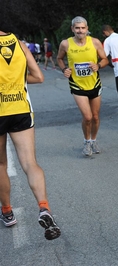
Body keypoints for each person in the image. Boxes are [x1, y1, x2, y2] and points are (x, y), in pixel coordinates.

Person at [0, 30, 61, 240]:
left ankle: (7, 211)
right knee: (30, 163)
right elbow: (39, 76)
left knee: (0, 165)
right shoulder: (16, 41)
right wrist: (16, 80)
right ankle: (44, 207)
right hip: (20, 108)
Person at [56, 16, 109, 156]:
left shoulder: (95, 42)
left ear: (87, 28)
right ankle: (86, 142)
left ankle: (93, 140)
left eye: (83, 28)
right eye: (77, 28)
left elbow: (105, 59)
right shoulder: (66, 44)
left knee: (96, 117)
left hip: (94, 84)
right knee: (87, 117)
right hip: (77, 86)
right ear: (72, 29)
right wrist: (64, 69)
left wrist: (98, 65)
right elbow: (59, 58)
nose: (80, 31)